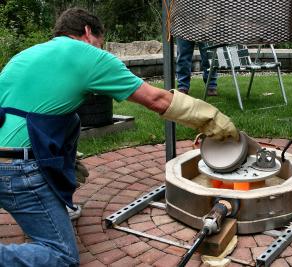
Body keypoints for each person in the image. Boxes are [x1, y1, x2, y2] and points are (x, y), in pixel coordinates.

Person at [0, 8, 238, 266]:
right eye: (101, 44)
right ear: (89, 33)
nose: (101, 50)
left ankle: (55, 196)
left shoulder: (25, 56)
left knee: (72, 119)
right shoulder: (89, 56)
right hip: (18, 172)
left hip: (9, 162)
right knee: (62, 257)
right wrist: (212, 119)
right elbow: (156, 100)